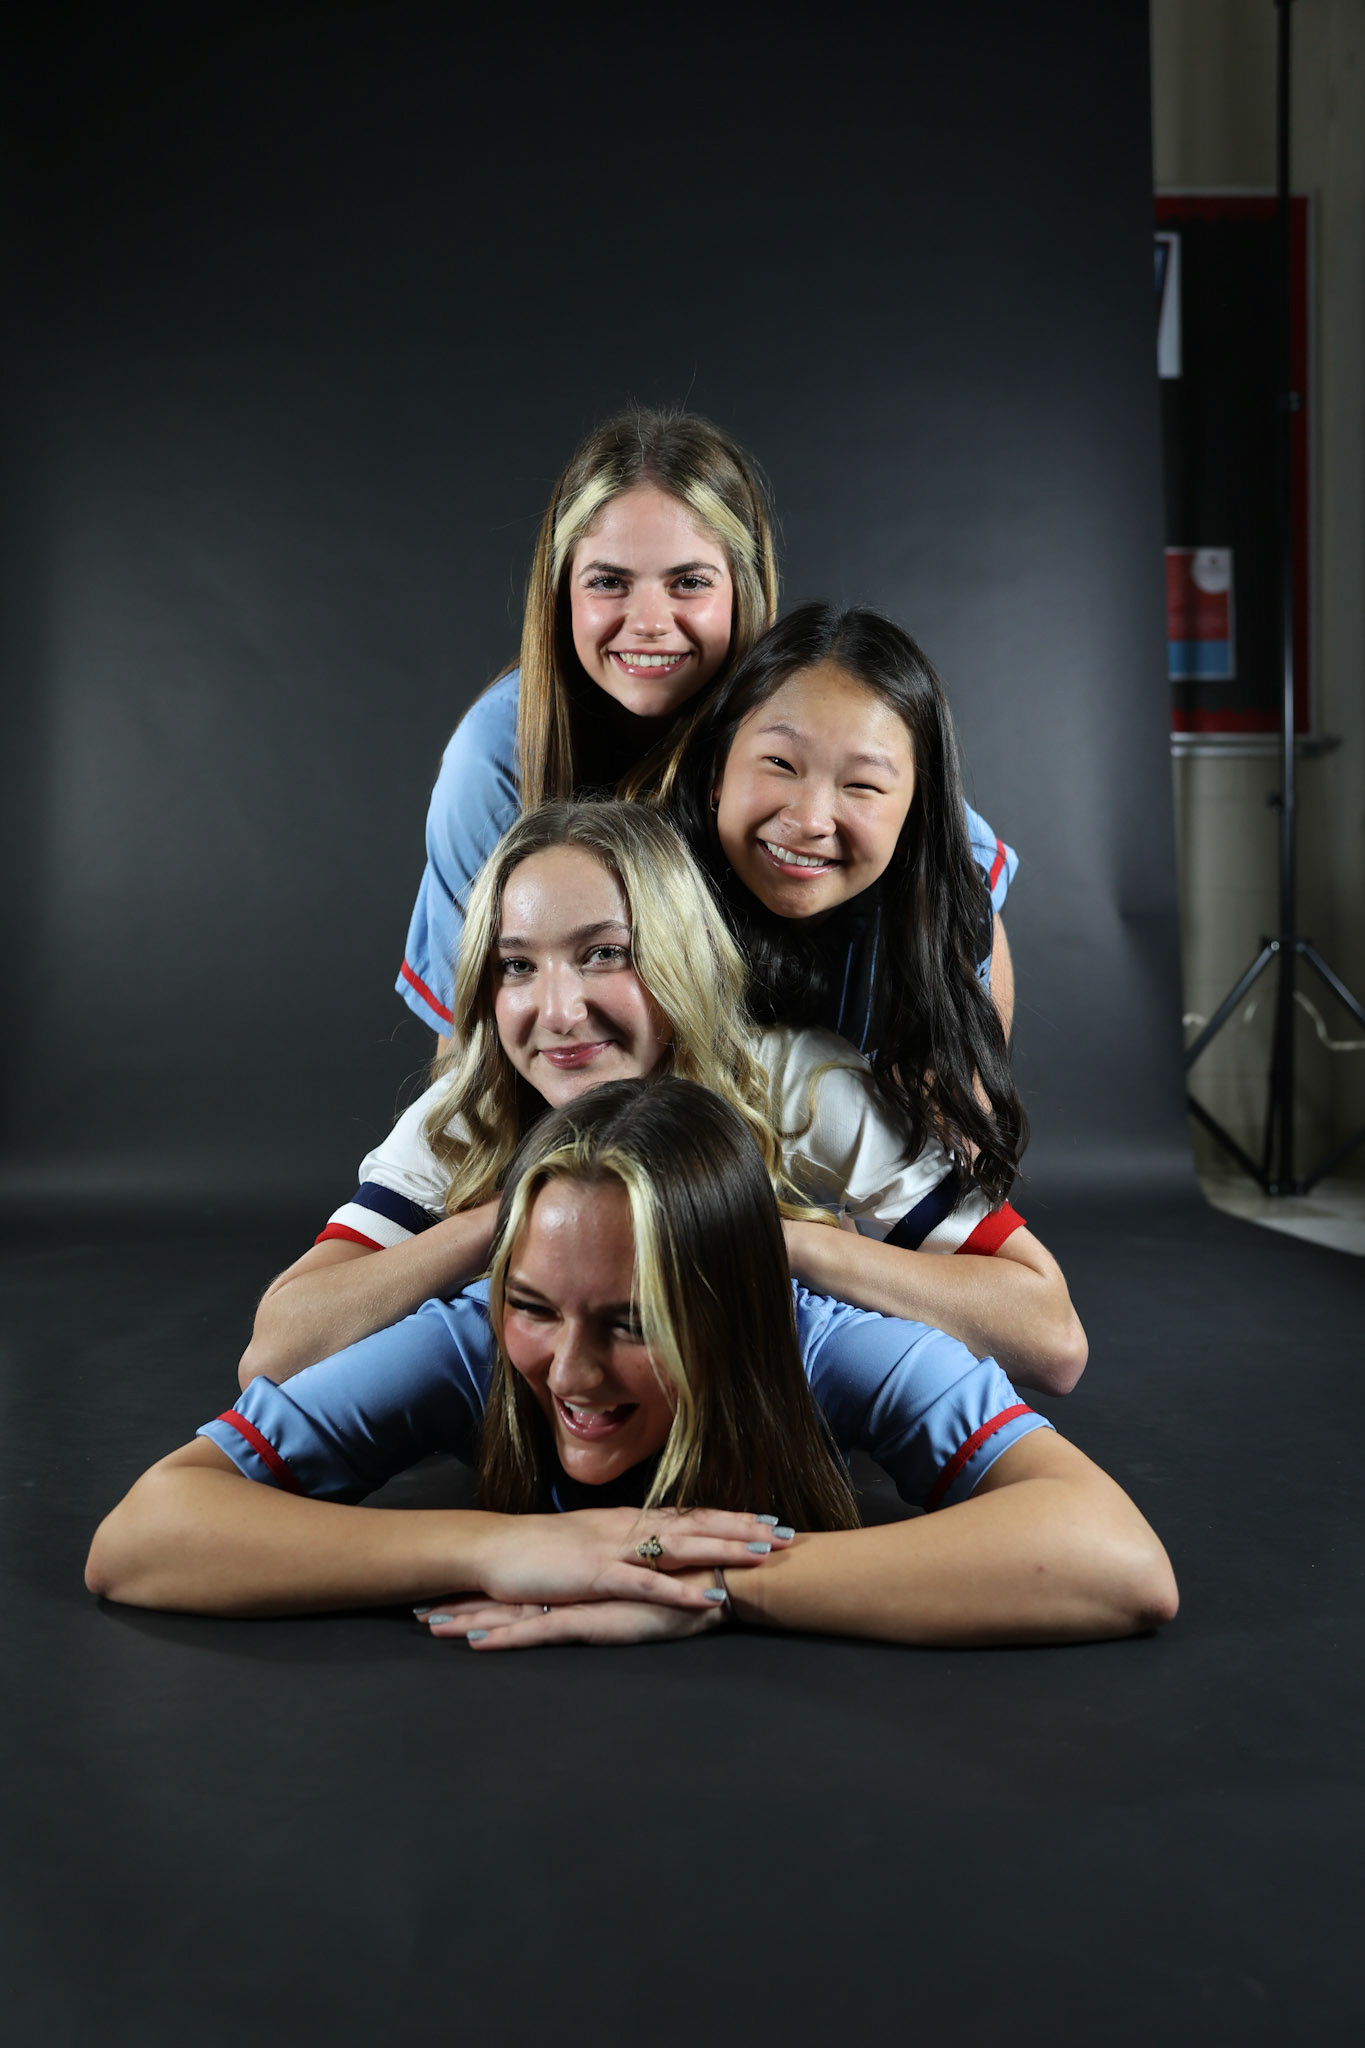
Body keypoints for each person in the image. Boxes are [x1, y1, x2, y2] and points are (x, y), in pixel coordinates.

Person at [85, 1081, 1176, 1650]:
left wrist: (699, 1581)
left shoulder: (823, 1339)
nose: (567, 1368)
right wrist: (512, 1549)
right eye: (533, 1306)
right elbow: (143, 1538)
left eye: (632, 1320)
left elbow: (1116, 1559)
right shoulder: (470, 1340)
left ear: (733, 1313)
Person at [244, 803, 1085, 1394]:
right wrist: (504, 1223)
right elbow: (275, 1353)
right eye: (517, 965)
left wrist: (783, 1243)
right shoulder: (469, 1116)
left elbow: (1049, 1341)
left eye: (604, 954)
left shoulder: (803, 1092)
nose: (557, 1011)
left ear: (680, 954)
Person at [395, 409, 1016, 1040]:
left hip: (783, 1059)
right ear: (561, 594)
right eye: (608, 581)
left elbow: (961, 881)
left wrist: (966, 1114)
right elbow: (472, 1034)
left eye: (688, 582)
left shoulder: (797, 706)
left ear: (742, 588)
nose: (649, 622)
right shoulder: (498, 755)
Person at [667, 601, 1024, 1209]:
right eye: (780, 764)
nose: (808, 821)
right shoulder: (635, 895)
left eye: (861, 785)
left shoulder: (951, 907)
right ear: (717, 772)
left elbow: (948, 1197)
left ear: (916, 815)